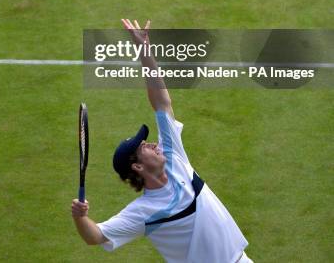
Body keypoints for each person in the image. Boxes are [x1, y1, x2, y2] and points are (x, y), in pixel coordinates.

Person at [72, 19, 253, 262]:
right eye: (143, 146)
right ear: (137, 166)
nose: (152, 144)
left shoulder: (173, 156)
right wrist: (80, 217)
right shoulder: (144, 212)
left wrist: (144, 51)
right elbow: (95, 236)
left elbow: (161, 103)